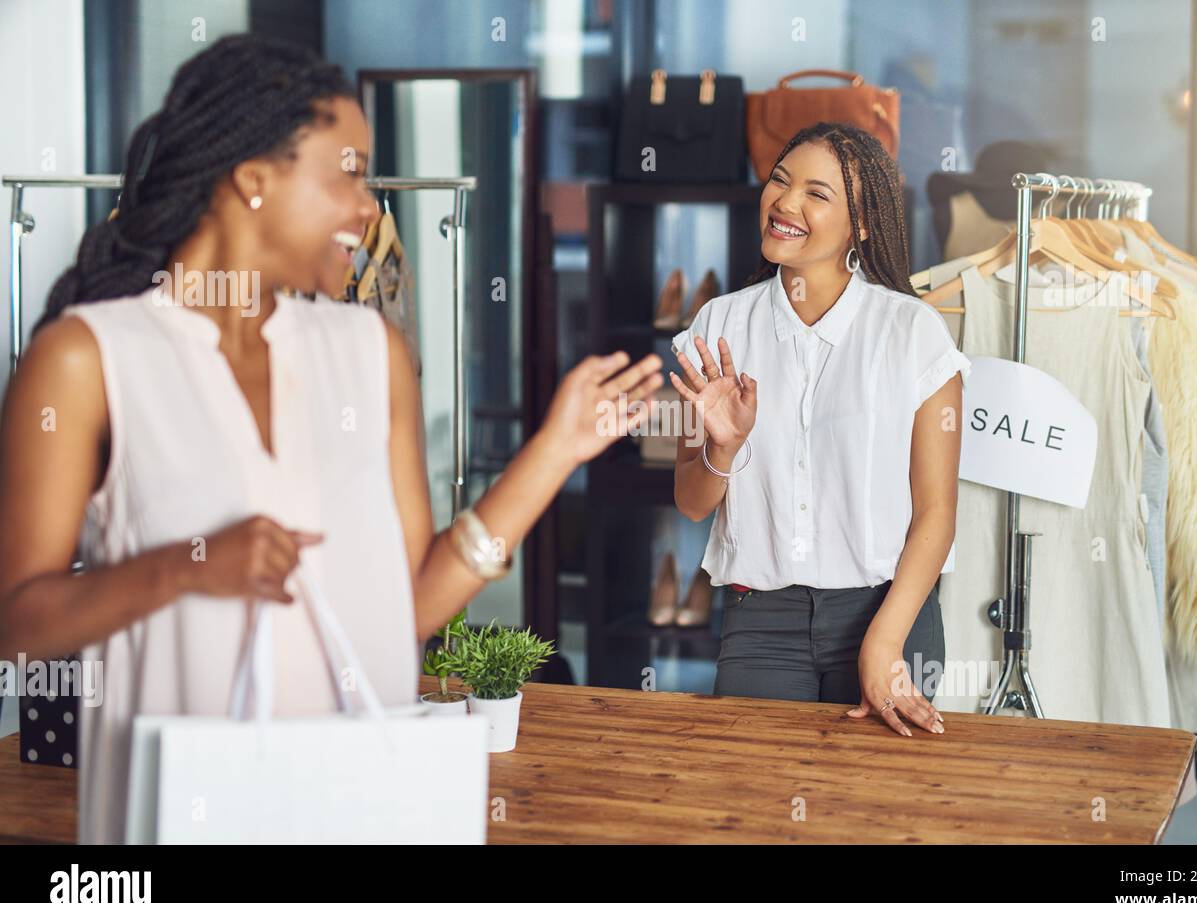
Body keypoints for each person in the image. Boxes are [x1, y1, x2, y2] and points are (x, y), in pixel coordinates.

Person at [0, 34, 661, 843]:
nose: (367, 208)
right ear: (252, 179)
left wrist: (559, 447)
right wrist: (184, 567)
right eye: (347, 172)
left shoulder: (368, 352)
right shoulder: (87, 356)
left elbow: (410, 604)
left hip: (360, 803)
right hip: (178, 813)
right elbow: (18, 620)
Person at [669, 122, 970, 738]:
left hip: (889, 610)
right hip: (761, 620)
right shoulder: (718, 323)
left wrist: (883, 644)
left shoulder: (912, 332)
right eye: (780, 181)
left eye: (816, 193)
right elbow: (691, 503)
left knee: (875, 818)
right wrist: (723, 449)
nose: (785, 203)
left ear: (861, 223)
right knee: (758, 809)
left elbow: (936, 515)